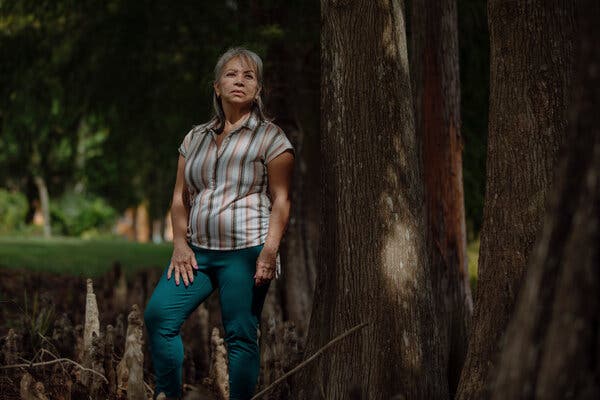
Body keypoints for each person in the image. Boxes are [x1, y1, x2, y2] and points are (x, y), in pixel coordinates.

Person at [144, 47, 295, 400]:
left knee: (240, 334)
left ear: (258, 90)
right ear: (216, 86)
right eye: (231, 74)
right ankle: (169, 395)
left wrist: (269, 253)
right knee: (159, 318)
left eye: (249, 76)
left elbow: (282, 201)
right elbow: (180, 197)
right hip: (196, 254)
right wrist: (180, 244)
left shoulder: (272, 138)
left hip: (246, 253)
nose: (239, 81)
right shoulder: (194, 138)